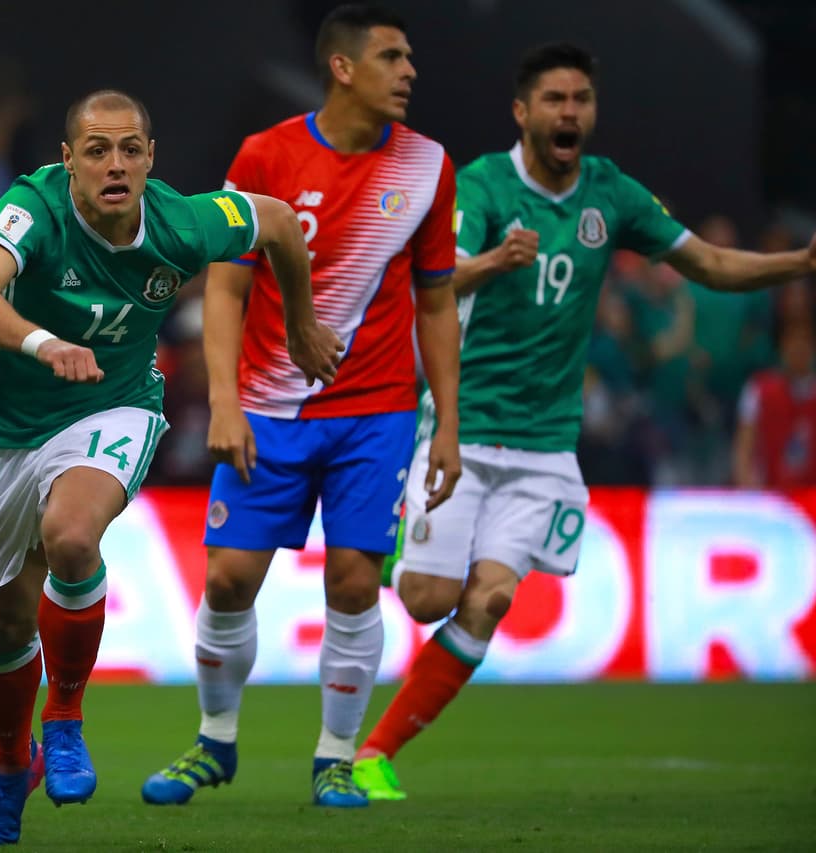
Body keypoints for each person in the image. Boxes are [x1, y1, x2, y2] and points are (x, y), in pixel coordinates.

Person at [353, 41, 816, 801]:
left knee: (492, 599)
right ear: (522, 112)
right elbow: (430, 280)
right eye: (555, 99)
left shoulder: (611, 193)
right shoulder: (484, 185)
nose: (569, 112)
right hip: (464, 427)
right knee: (428, 599)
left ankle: (375, 752)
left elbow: (708, 263)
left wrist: (800, 262)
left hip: (545, 444)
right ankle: (400, 539)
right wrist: (494, 261)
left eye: (581, 100)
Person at [0, 89, 343, 846]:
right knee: (7, 618)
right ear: (69, 161)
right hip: (6, 431)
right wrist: (42, 343)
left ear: (151, 157)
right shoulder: (35, 209)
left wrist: (299, 322)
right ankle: (10, 765)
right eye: (97, 150)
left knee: (71, 536)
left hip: (113, 405)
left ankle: (64, 719)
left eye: (130, 149)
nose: (115, 165)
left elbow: (281, 224)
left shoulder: (182, 222)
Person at [141, 4, 461, 809]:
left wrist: (447, 424)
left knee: (354, 582)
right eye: (391, 57)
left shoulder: (427, 165)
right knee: (228, 579)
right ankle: (214, 741)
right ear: (342, 68)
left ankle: (335, 758)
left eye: (409, 58)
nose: (409, 71)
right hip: (268, 407)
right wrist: (224, 401)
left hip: (377, 412)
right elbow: (226, 286)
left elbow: (435, 302)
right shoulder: (267, 154)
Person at [733, 317, 816, 488]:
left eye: (804, 341)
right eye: (792, 341)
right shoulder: (758, 390)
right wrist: (747, 486)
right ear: (781, 347)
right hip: (770, 493)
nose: (798, 347)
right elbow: (743, 448)